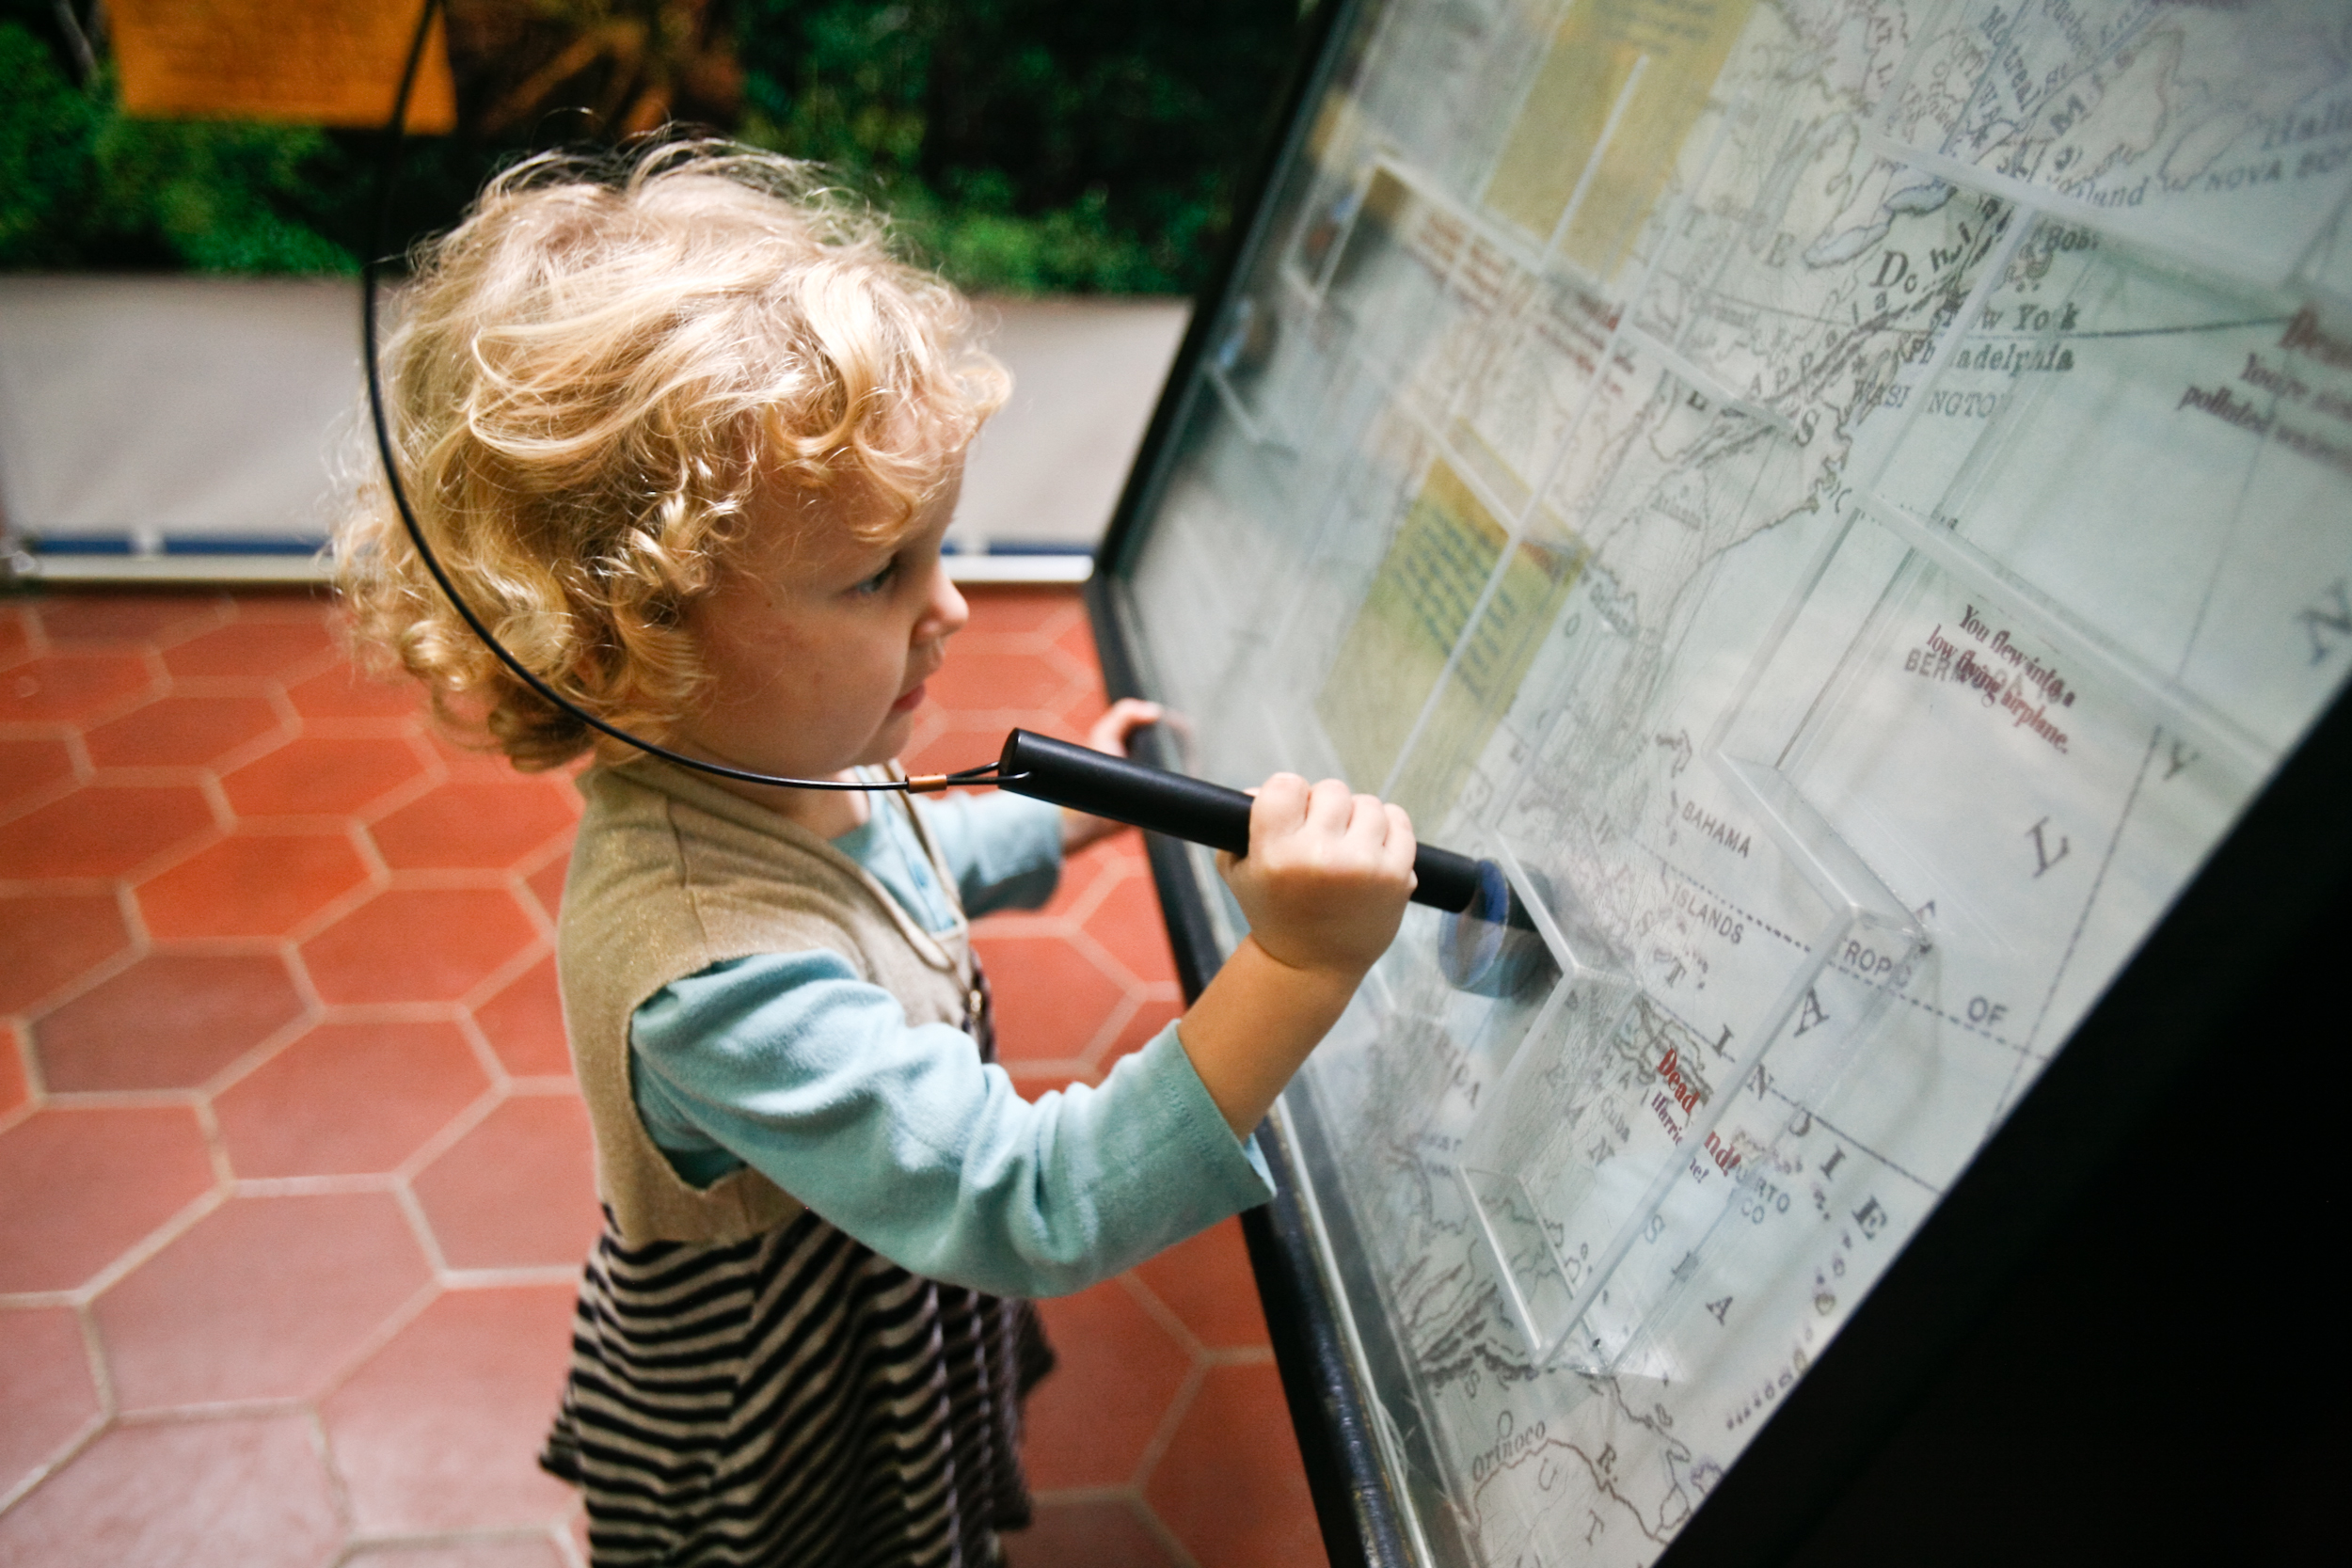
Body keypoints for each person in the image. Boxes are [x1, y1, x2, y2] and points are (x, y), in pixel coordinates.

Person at [338, 141, 1416, 1568]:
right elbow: (1029, 1200)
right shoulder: (711, 980)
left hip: (876, 1295)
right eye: (877, 575)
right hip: (790, 1421)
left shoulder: (772, 757)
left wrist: (1072, 812)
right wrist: (1298, 966)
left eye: (934, 548)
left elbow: (900, 860)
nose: (951, 607)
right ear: (625, 647)